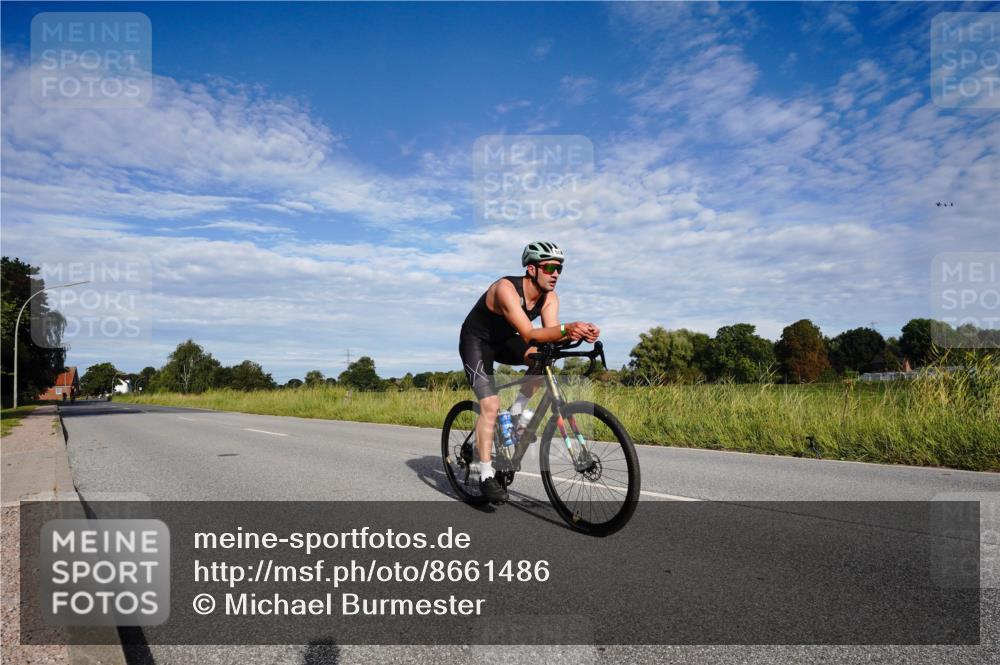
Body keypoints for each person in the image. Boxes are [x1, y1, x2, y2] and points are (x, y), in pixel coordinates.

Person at [458, 242, 600, 504]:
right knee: (490, 404)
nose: (555, 274)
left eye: (559, 269)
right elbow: (531, 334)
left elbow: (550, 336)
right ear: (532, 269)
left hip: (505, 340)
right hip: (476, 341)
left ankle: (516, 413)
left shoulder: (550, 298)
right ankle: (486, 474)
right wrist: (567, 328)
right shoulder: (506, 289)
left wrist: (579, 333)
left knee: (542, 358)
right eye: (549, 268)